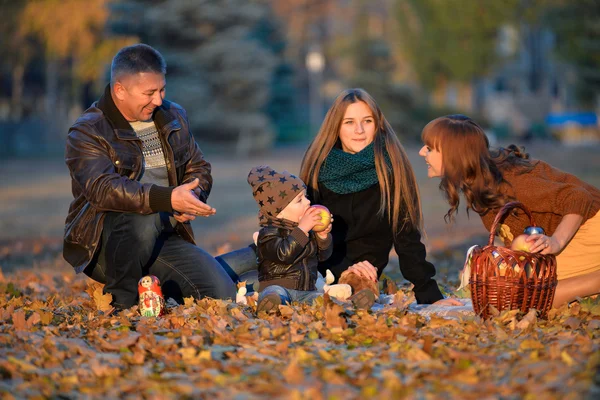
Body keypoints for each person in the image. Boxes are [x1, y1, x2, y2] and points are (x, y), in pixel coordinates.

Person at [63, 44, 236, 310]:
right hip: (106, 244)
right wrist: (167, 199)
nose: (158, 100)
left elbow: (199, 166)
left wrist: (190, 197)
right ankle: (121, 303)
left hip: (164, 235)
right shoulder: (87, 131)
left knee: (220, 294)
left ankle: (153, 289)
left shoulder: (173, 115)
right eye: (149, 92)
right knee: (143, 217)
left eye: (162, 89)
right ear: (120, 90)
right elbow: (102, 189)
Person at [419, 114, 600, 307]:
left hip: (590, 228)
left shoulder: (511, 183)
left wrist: (556, 241)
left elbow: (578, 197)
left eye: (429, 148)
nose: (422, 152)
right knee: (505, 285)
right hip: (573, 232)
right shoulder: (479, 182)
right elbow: (509, 232)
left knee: (526, 297)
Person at [299, 88, 459, 306]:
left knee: (356, 295)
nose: (359, 130)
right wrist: (344, 268)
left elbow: (407, 238)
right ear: (336, 127)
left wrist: (430, 295)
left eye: (367, 121)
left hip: (366, 274)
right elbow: (307, 233)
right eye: (349, 122)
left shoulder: (392, 166)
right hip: (321, 270)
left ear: (377, 124)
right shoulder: (319, 167)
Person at [247, 165, 376, 313]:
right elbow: (283, 254)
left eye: (305, 197)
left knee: (322, 300)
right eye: (299, 200)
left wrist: (323, 237)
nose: (308, 202)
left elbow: (322, 256)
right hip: (279, 286)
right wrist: (302, 229)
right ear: (279, 212)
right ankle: (271, 306)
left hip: (306, 290)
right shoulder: (268, 234)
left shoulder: (306, 230)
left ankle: (351, 305)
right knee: (275, 294)